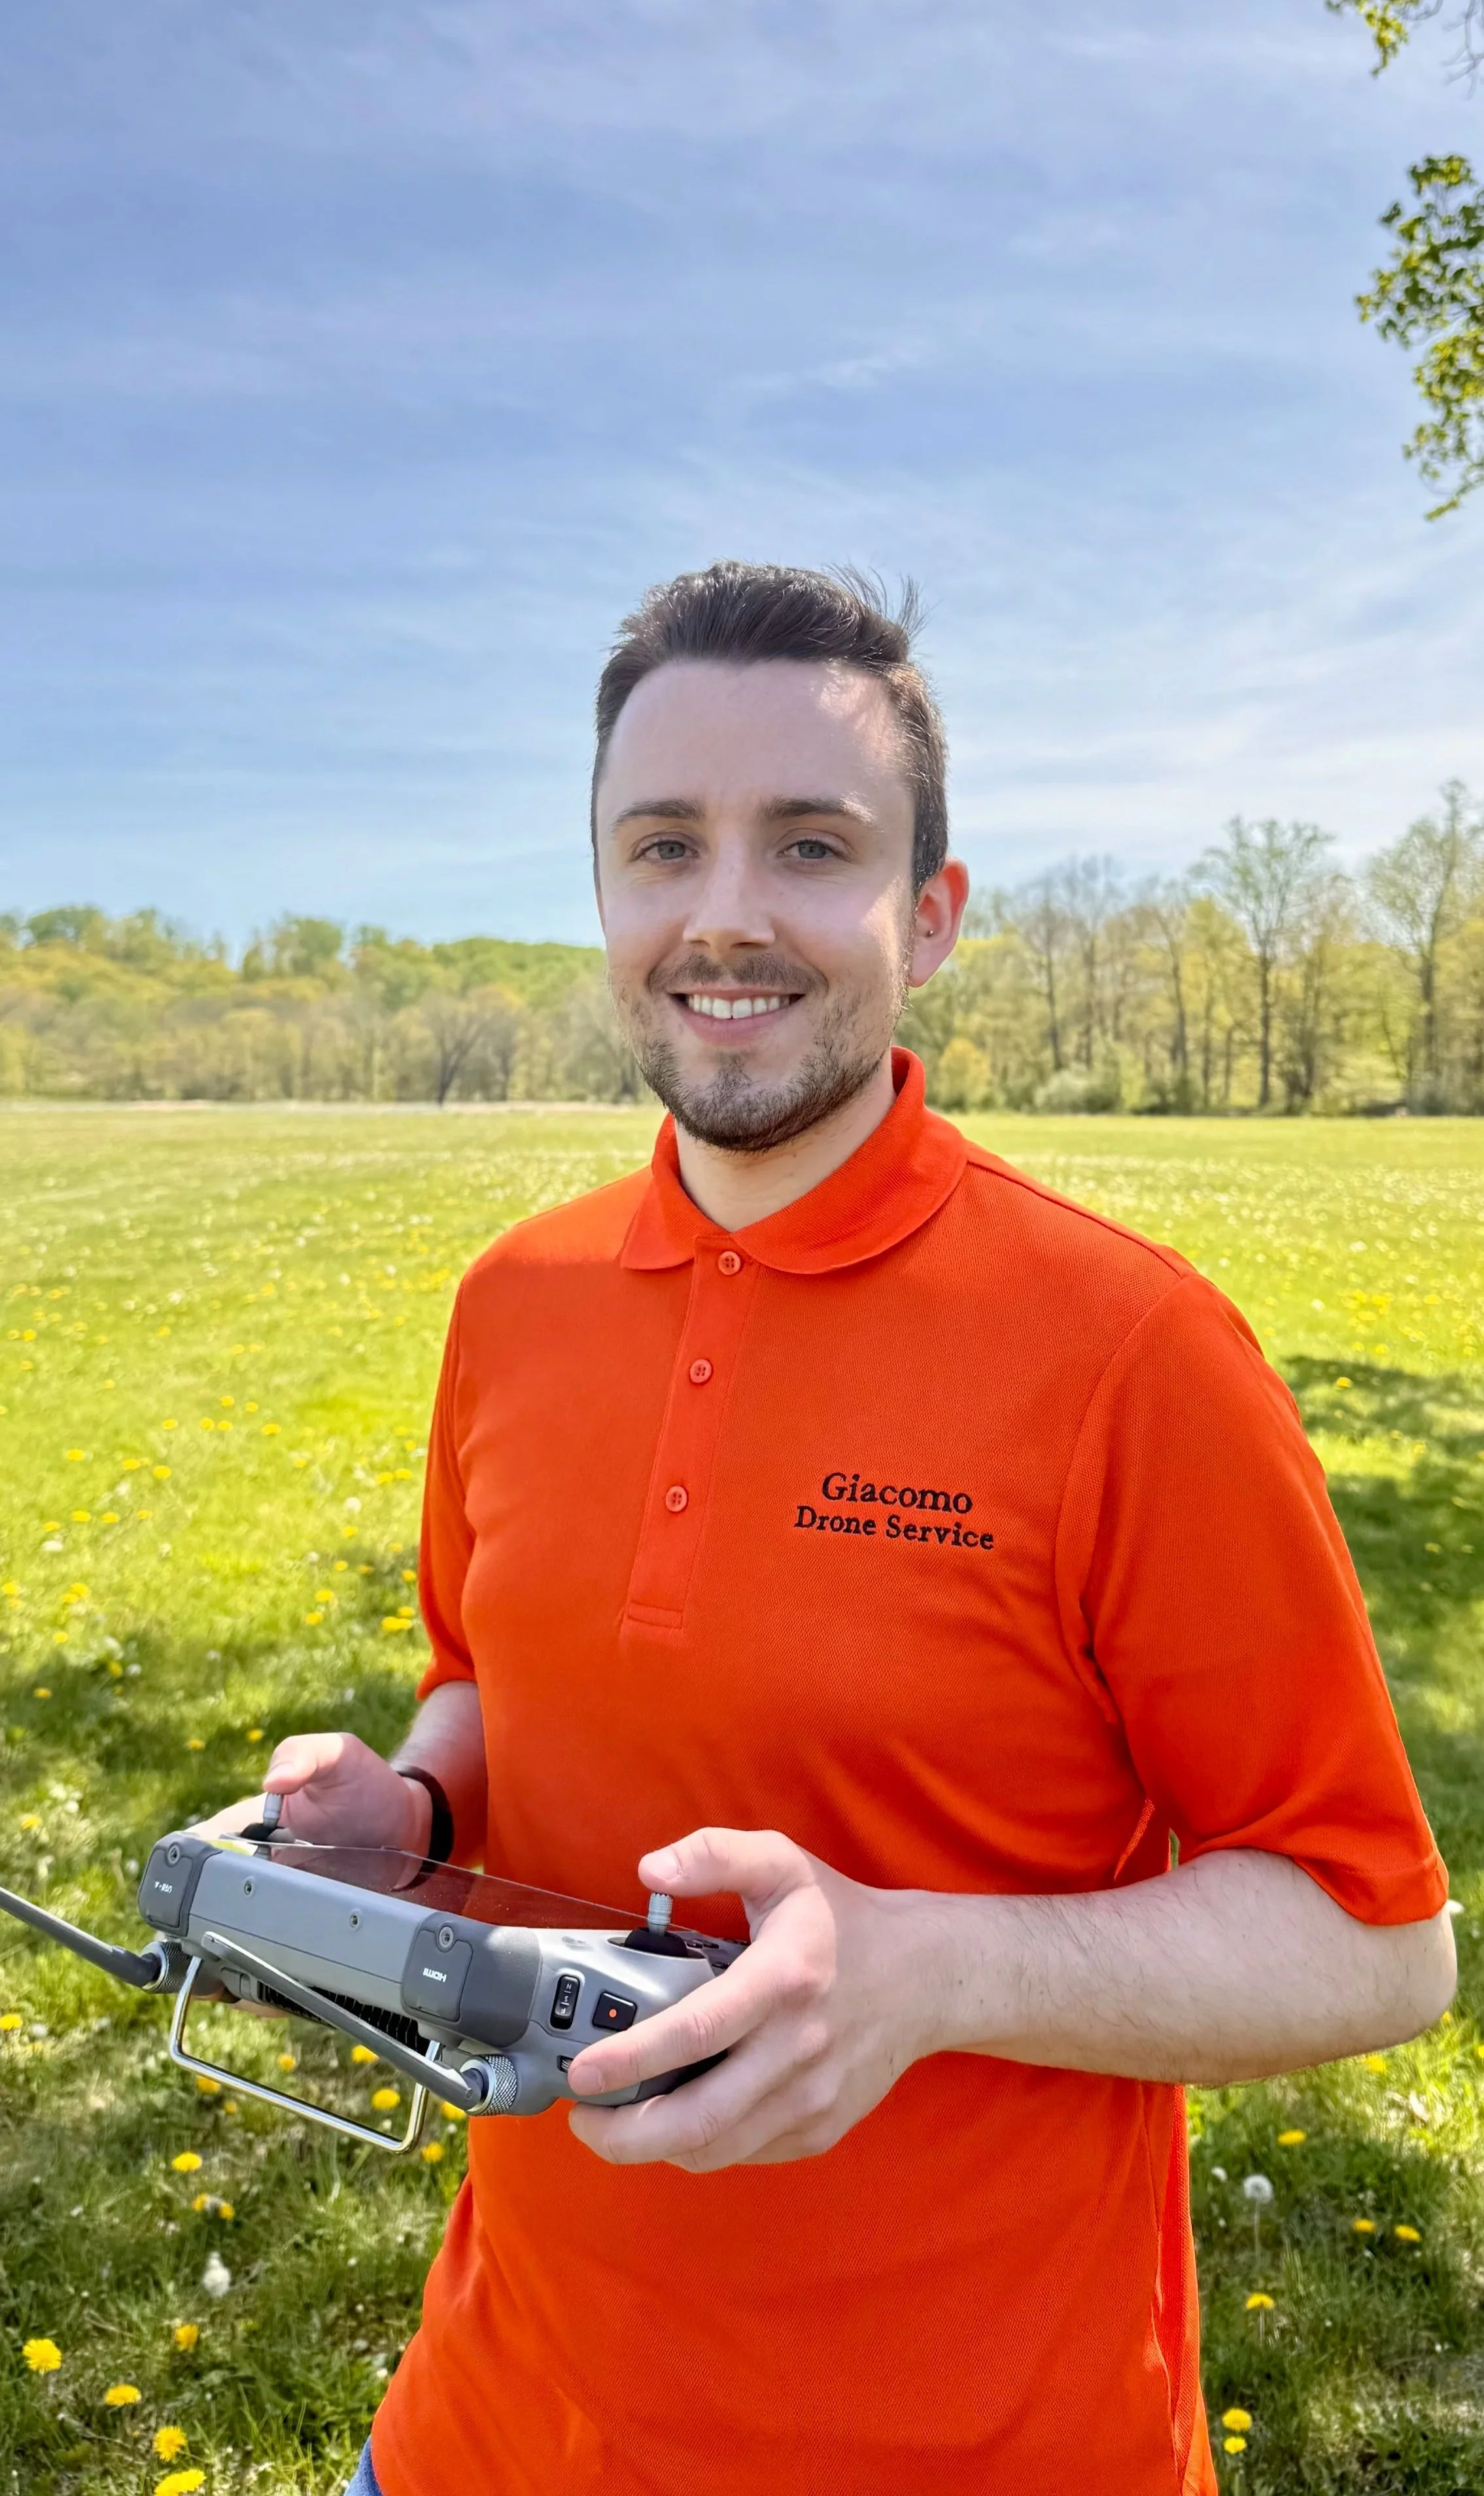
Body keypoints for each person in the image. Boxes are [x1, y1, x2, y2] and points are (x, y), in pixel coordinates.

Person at [212, 564, 1453, 2495]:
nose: (724, 914)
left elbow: (1377, 1951)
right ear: (605, 895)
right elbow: (485, 1670)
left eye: (810, 845)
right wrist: (425, 1809)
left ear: (927, 917)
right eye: (661, 846)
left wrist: (931, 1969)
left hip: (984, 2447)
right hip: (485, 2430)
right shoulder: (509, 1301)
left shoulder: (1129, 1348)